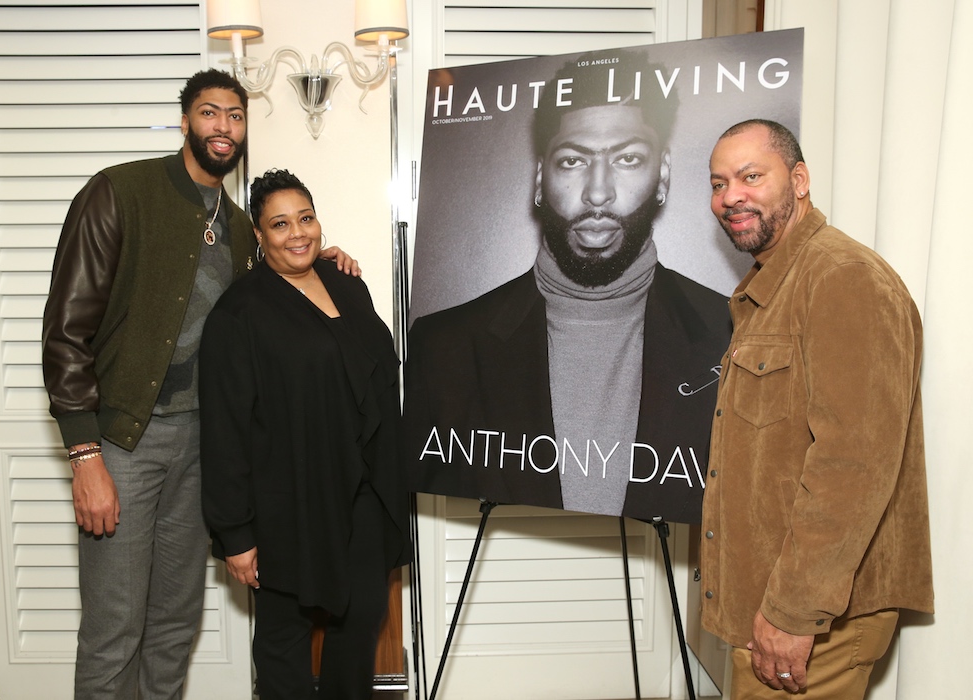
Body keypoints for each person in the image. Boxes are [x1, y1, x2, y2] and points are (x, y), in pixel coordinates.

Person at [41, 70, 359, 699]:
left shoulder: (242, 227)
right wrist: (84, 455)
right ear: (186, 119)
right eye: (210, 114)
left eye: (235, 116)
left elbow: (266, 294)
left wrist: (316, 255)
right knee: (114, 627)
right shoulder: (118, 194)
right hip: (123, 444)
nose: (223, 127)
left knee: (173, 622)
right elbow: (65, 333)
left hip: (202, 449)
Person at [405, 50, 731, 521]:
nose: (598, 193)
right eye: (574, 160)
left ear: (662, 177)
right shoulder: (444, 346)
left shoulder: (734, 336)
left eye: (628, 158)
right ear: (540, 179)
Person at [700, 119, 934, 698]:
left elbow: (852, 468)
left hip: (815, 616)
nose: (732, 196)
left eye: (752, 176)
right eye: (719, 182)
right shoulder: (775, 284)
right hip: (776, 605)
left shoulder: (843, 278)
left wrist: (792, 611)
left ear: (799, 181)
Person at [198, 170, 410, 699]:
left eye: (306, 218)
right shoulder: (239, 312)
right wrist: (236, 533)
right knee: (283, 633)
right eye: (280, 224)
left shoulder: (346, 282)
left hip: (362, 490)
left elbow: (372, 372)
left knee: (359, 619)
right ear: (258, 235)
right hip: (284, 500)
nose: (297, 233)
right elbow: (223, 428)